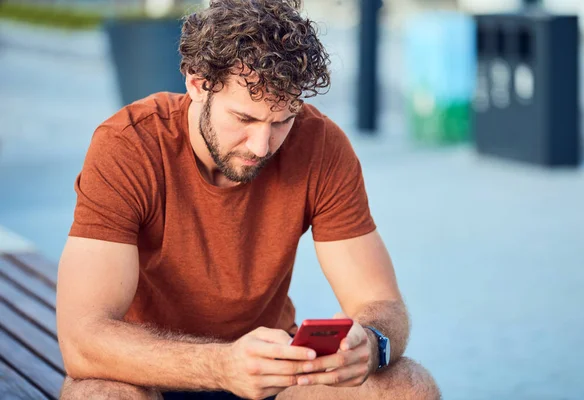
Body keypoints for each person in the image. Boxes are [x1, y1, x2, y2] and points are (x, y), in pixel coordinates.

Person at [56, 0, 440, 399]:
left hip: (272, 376)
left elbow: (381, 301)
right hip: (150, 372)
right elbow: (83, 338)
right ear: (197, 83)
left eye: (282, 120)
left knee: (407, 386)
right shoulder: (128, 144)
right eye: (244, 119)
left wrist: (372, 344)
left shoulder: (321, 145)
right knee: (97, 395)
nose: (262, 145)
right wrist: (222, 365)